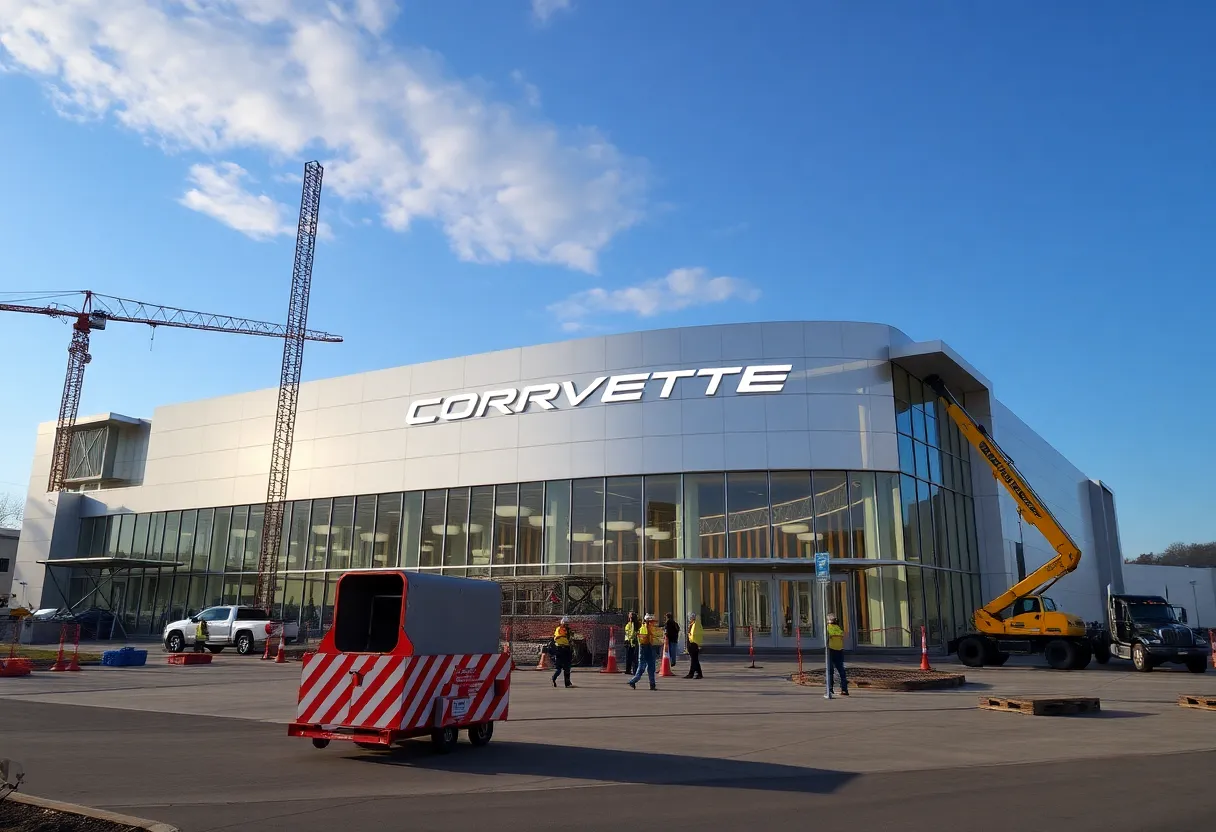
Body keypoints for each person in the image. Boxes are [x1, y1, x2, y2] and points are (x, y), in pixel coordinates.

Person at [627, 613, 659, 690]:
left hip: (645, 648)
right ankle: (650, 684)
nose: (653, 623)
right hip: (647, 648)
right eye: (651, 621)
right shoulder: (646, 628)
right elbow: (648, 639)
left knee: (645, 667)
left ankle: (650, 684)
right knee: (647, 667)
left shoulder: (645, 628)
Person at [826, 613, 848, 696]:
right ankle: (844, 689)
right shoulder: (839, 628)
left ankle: (830, 689)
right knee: (841, 670)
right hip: (840, 650)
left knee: (830, 670)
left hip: (831, 650)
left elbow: (828, 637)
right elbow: (842, 635)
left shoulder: (828, 628)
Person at [551, 616, 573, 688]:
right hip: (560, 649)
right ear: (562, 623)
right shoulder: (559, 629)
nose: (566, 625)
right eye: (565, 624)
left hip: (566, 648)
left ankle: (567, 683)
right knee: (559, 669)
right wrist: (566, 634)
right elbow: (558, 636)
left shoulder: (568, 630)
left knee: (567, 667)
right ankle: (553, 679)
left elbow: (570, 638)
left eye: (567, 624)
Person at [684, 613, 703, 679]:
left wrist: (689, 636)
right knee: (695, 660)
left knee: (693, 660)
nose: (689, 619)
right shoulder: (694, 624)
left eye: (690, 618)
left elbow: (693, 634)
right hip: (693, 643)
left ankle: (691, 673)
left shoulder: (695, 625)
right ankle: (699, 673)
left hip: (693, 644)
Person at [623, 611, 640, 676]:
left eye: (630, 616)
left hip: (632, 642)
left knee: (631, 657)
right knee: (632, 657)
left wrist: (628, 639)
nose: (629, 617)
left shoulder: (631, 624)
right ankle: (631, 670)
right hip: (632, 642)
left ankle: (630, 670)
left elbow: (630, 633)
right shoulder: (633, 624)